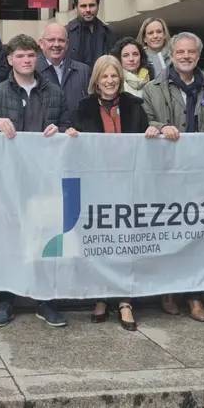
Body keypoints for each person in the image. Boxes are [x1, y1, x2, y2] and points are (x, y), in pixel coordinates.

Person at [141, 32, 204, 323]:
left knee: (197, 234)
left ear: (198, 56)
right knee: (168, 232)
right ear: (171, 55)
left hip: (200, 172)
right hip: (167, 171)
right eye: (180, 52)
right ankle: (169, 292)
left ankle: (194, 296)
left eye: (191, 52)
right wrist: (161, 127)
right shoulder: (152, 88)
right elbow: (145, 120)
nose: (186, 57)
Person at [0, 34, 74, 328]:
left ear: (38, 58)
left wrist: (61, 130)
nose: (26, 60)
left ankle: (46, 301)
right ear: (10, 60)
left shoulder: (55, 93)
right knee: (8, 239)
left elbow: (67, 125)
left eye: (31, 55)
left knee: (47, 239)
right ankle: (6, 300)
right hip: (9, 181)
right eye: (20, 55)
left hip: (45, 179)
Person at [70, 55, 152, 331]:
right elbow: (73, 143)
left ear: (120, 78)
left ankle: (125, 300)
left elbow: (146, 138)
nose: (109, 81)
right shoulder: (83, 108)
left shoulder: (135, 106)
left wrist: (154, 131)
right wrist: (70, 135)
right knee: (100, 242)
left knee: (125, 242)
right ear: (96, 80)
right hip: (96, 186)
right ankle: (101, 296)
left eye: (114, 76)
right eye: (104, 76)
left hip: (128, 184)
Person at [37, 22, 91, 118]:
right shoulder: (32, 72)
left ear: (67, 44)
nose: (56, 44)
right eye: (51, 40)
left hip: (77, 127)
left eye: (61, 40)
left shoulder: (83, 72)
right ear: (41, 43)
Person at [66, 0, 116, 68]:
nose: (88, 10)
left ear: (98, 6)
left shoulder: (109, 32)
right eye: (83, 6)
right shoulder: (66, 33)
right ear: (75, 8)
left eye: (92, 5)